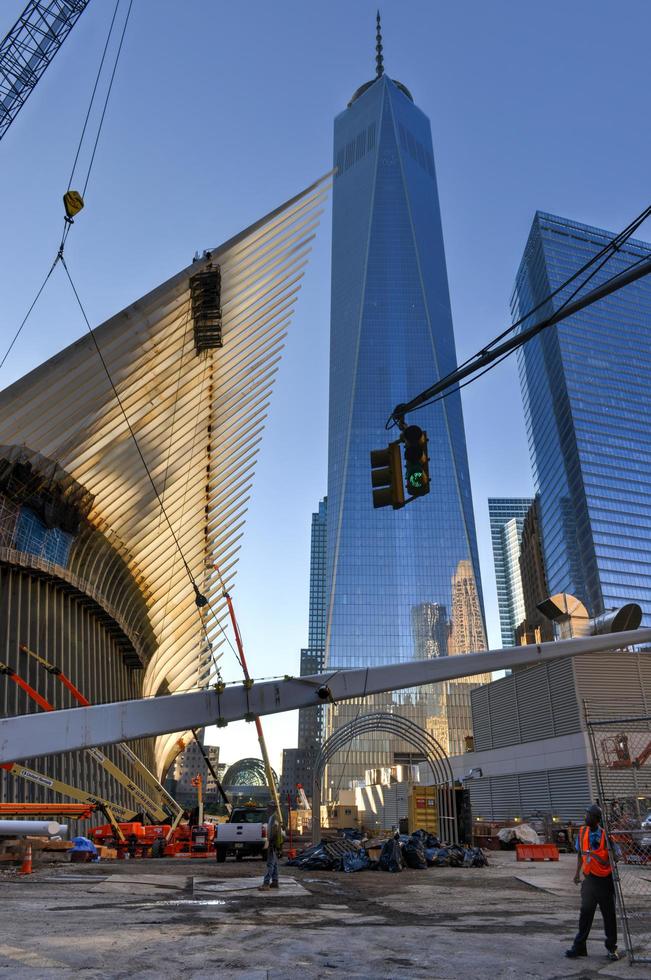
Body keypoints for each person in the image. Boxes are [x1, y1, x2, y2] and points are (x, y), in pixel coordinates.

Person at [566, 803, 619, 961]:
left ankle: (611, 948)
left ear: (596, 819)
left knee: (609, 916)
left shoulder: (606, 835)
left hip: (605, 882)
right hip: (589, 881)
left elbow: (617, 856)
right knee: (585, 914)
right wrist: (577, 873)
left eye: (588, 815)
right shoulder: (582, 833)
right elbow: (580, 855)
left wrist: (610, 853)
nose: (585, 817)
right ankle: (579, 947)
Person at [258, 806, 284, 891]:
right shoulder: (272, 817)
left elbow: (275, 831)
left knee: (270, 864)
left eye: (268, 808)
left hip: (273, 844)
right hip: (274, 843)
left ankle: (266, 883)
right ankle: (275, 882)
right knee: (274, 863)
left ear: (272, 809)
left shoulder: (274, 817)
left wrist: (272, 843)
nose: (267, 809)